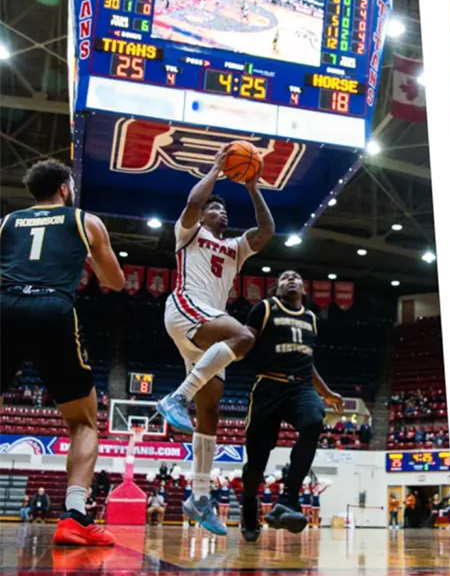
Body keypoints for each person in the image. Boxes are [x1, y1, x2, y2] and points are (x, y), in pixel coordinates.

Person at [1, 160, 126, 546]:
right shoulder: (84, 221)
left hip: (4, 305)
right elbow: (115, 282)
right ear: (64, 189)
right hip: (52, 309)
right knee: (84, 422)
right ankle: (74, 515)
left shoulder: (6, 223)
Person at [154, 144, 274, 537]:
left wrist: (254, 188)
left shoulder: (235, 248)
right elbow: (193, 200)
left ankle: (199, 496)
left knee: (212, 411)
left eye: (224, 209)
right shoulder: (188, 232)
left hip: (205, 327)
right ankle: (177, 398)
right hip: (188, 308)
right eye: (215, 208)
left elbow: (267, 232)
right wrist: (218, 169)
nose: (220, 211)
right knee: (244, 334)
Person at [236, 270, 343, 542]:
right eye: (285, 278)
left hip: (301, 387)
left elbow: (308, 360)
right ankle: (250, 503)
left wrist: (326, 391)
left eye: (296, 277)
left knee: (314, 420)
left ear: (304, 289)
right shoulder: (265, 308)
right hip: (268, 386)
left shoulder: (311, 319)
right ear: (277, 288)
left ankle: (289, 498)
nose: (291, 279)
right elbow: (246, 339)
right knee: (257, 461)